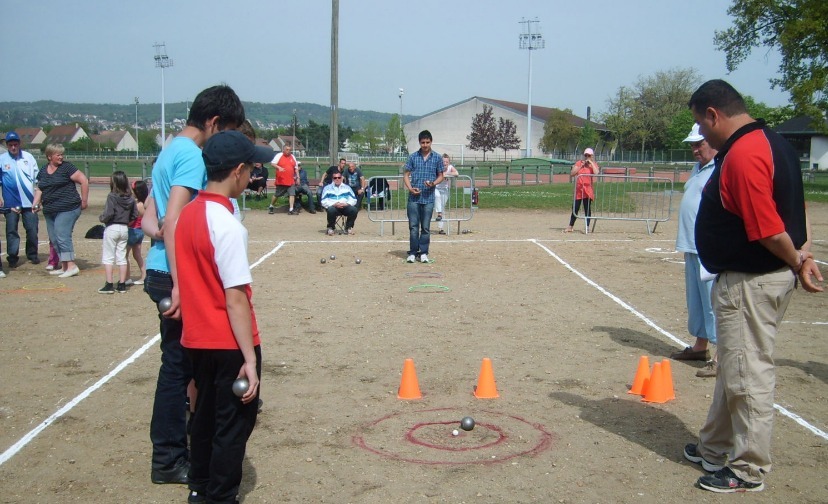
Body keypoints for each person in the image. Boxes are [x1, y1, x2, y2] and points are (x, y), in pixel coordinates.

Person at [683, 79, 823, 493]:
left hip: (751, 282)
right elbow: (798, 211)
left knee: (748, 374)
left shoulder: (744, 152)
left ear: (714, 114)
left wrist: (797, 259)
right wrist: (804, 253)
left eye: (701, 124)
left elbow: (767, 227)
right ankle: (713, 447)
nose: (702, 134)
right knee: (734, 367)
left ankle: (748, 468)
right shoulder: (776, 143)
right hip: (756, 278)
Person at [142, 84, 246, 486]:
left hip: (161, 270)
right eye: (228, 132)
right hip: (174, 275)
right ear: (214, 122)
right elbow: (172, 220)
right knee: (178, 368)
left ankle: (183, 443)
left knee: (182, 365)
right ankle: (169, 457)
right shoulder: (189, 154)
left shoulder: (169, 150)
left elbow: (153, 218)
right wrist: (182, 285)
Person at [176, 130, 269, 503]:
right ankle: (220, 495)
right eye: (251, 169)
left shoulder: (187, 215)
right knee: (232, 426)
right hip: (228, 342)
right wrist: (250, 358)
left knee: (203, 416)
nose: (253, 176)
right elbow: (235, 299)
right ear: (238, 171)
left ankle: (199, 485)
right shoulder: (228, 225)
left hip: (196, 339)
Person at [671, 124, 718, 378]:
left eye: (699, 144)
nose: (695, 149)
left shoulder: (720, 166)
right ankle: (701, 346)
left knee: (713, 301)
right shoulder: (698, 167)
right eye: (692, 145)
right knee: (697, 300)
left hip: (709, 245)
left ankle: (721, 356)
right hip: (691, 244)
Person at [32, 143, 88, 278]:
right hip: (50, 210)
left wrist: (84, 201)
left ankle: (71, 266)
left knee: (62, 235)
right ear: (49, 156)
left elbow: (84, 181)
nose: (61, 157)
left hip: (68, 208)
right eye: (58, 155)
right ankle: (64, 266)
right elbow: (40, 188)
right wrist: (35, 203)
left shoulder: (67, 168)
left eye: (62, 154)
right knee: (54, 238)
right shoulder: (43, 170)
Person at [0, 131, 40, 272]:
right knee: (11, 230)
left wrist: (38, 200)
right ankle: (12, 257)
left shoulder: (28, 158)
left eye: (15, 144)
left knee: (32, 229)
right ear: (7, 145)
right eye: (10, 145)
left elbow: (38, 180)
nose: (13, 147)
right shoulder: (2, 159)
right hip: (10, 201)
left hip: (29, 201)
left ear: (19, 144)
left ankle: (32, 254)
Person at [404, 130, 444, 263]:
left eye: (427, 142)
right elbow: (406, 175)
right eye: (423, 142)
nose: (425, 145)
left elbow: (441, 176)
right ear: (419, 142)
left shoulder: (437, 158)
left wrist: (433, 183)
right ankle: (413, 252)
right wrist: (410, 188)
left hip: (428, 198)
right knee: (413, 227)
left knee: (425, 228)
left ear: (431, 142)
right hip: (414, 198)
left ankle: (424, 252)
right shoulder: (413, 157)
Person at [97, 171, 137, 294]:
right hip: (124, 228)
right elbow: (134, 215)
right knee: (122, 256)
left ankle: (109, 284)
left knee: (108, 257)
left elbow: (108, 213)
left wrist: (102, 218)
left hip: (112, 227)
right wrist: (127, 221)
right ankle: (122, 284)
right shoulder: (131, 198)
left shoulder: (112, 196)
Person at [565, 148, 599, 233]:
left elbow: (596, 172)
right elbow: (572, 173)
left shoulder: (593, 164)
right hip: (579, 190)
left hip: (587, 190)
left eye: (589, 155)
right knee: (575, 208)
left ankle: (587, 226)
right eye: (585, 155)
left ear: (592, 156)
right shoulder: (579, 163)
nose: (587, 157)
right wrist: (581, 165)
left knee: (587, 208)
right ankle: (570, 226)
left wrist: (591, 163)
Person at [125, 179, 149, 286]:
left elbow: (131, 221)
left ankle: (126, 277)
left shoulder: (137, 205)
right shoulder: (145, 205)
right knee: (137, 254)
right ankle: (144, 275)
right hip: (140, 231)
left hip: (132, 231)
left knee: (124, 255)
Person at [320, 171, 358, 235]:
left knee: (354, 210)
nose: (337, 179)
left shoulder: (347, 188)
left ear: (341, 178)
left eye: (339, 177)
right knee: (331, 209)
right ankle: (331, 228)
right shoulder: (327, 188)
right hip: (333, 207)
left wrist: (346, 204)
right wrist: (334, 204)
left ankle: (348, 228)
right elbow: (323, 201)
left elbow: (354, 199)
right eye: (335, 178)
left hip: (345, 207)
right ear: (332, 179)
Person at [267, 144, 299, 215]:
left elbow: (296, 168)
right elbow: (272, 163)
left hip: (291, 180)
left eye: (290, 150)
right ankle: (271, 206)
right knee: (277, 195)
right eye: (287, 149)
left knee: (292, 194)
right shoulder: (279, 155)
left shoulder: (293, 157)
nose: (288, 151)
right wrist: (279, 167)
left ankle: (291, 209)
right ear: (283, 150)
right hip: (281, 180)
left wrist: (298, 177)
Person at [435, 153, 459, 234]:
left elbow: (456, 173)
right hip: (435, 188)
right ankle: (425, 225)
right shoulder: (437, 167)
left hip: (444, 189)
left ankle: (441, 228)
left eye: (446, 162)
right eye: (443, 162)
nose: (445, 163)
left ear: (449, 162)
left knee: (442, 208)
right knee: (437, 196)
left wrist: (446, 174)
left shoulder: (450, 167)